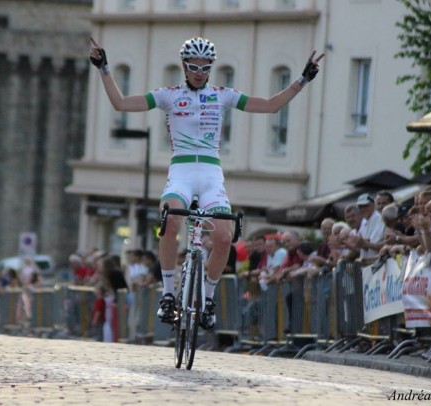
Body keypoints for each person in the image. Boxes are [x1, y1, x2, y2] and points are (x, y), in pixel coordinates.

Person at [90, 36, 323, 329]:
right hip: (182, 173)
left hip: (212, 174)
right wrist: (104, 69)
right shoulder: (169, 95)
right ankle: (169, 294)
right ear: (184, 67)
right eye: (193, 66)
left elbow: (270, 106)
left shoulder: (223, 95)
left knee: (225, 236)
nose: (199, 72)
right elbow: (121, 104)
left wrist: (302, 79)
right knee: (171, 220)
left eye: (205, 67)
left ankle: (208, 299)